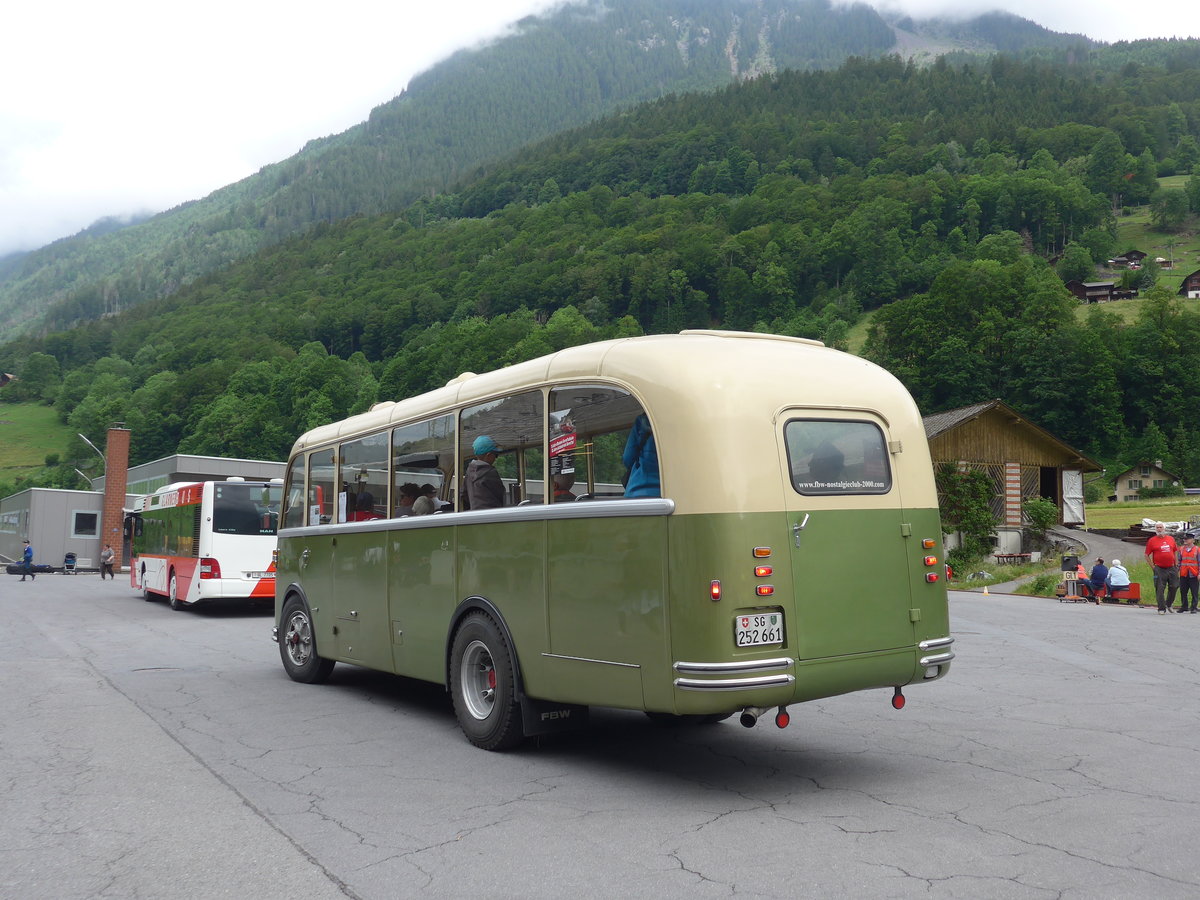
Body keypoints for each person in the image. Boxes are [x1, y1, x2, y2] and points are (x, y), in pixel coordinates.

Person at [622, 414, 660, 498]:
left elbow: (627, 459)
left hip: (637, 490)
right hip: (669, 493)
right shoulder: (682, 419)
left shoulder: (643, 420)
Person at [1145, 523, 1179, 614]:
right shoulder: (1152, 540)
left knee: (1174, 586)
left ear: (1164, 528)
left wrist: (1176, 564)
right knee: (1160, 588)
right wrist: (1153, 567)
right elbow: (1146, 555)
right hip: (1159, 568)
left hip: (1171, 567)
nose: (1159, 529)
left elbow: (1175, 551)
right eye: (1157, 528)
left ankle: (1169, 604)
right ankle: (1161, 608)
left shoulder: (1170, 539)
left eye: (1161, 527)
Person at [465, 436, 505, 510]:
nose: (496, 458)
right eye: (496, 455)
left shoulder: (468, 472)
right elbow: (500, 494)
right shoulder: (491, 473)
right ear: (488, 455)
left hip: (474, 514)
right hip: (492, 513)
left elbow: (463, 494)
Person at [1178, 534, 1200, 613]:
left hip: (1194, 574)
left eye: (1187, 539)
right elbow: (1179, 561)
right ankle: (1184, 606)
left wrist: (1199, 574)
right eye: (1184, 539)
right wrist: (1177, 571)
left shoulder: (1197, 550)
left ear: (1193, 540)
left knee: (1194, 592)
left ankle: (1193, 607)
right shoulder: (1181, 549)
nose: (1185, 540)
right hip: (1184, 573)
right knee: (1183, 591)